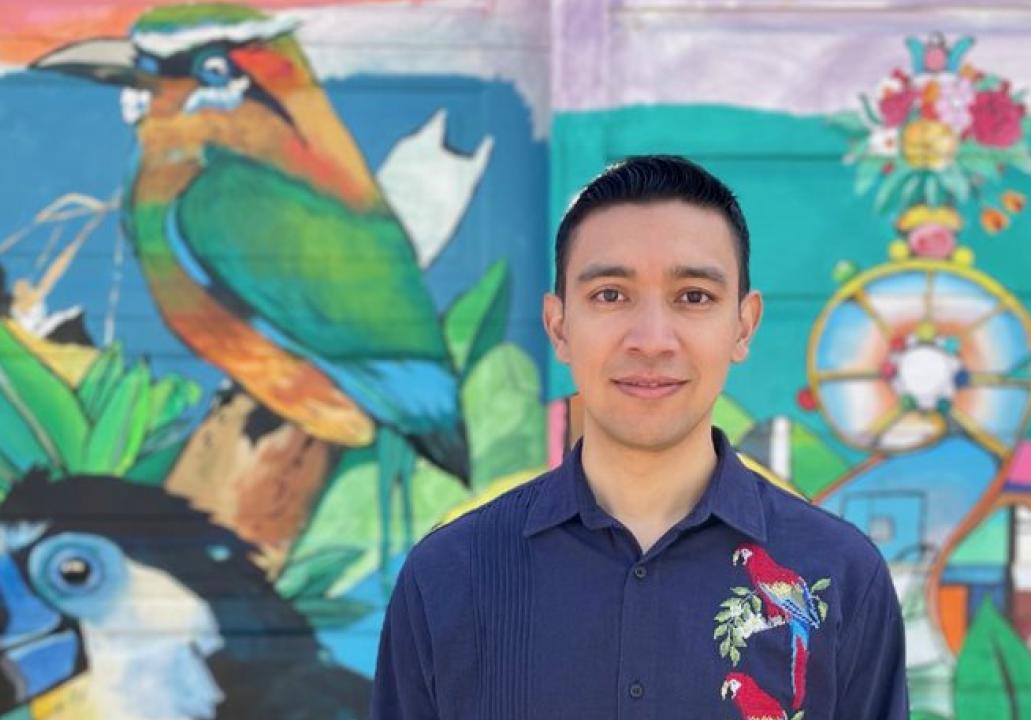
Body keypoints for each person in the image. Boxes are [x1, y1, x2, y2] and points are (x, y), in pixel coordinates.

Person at [371, 156, 908, 719]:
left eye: (693, 296)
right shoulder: (448, 575)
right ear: (559, 326)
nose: (652, 340)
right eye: (610, 294)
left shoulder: (841, 574)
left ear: (743, 326)